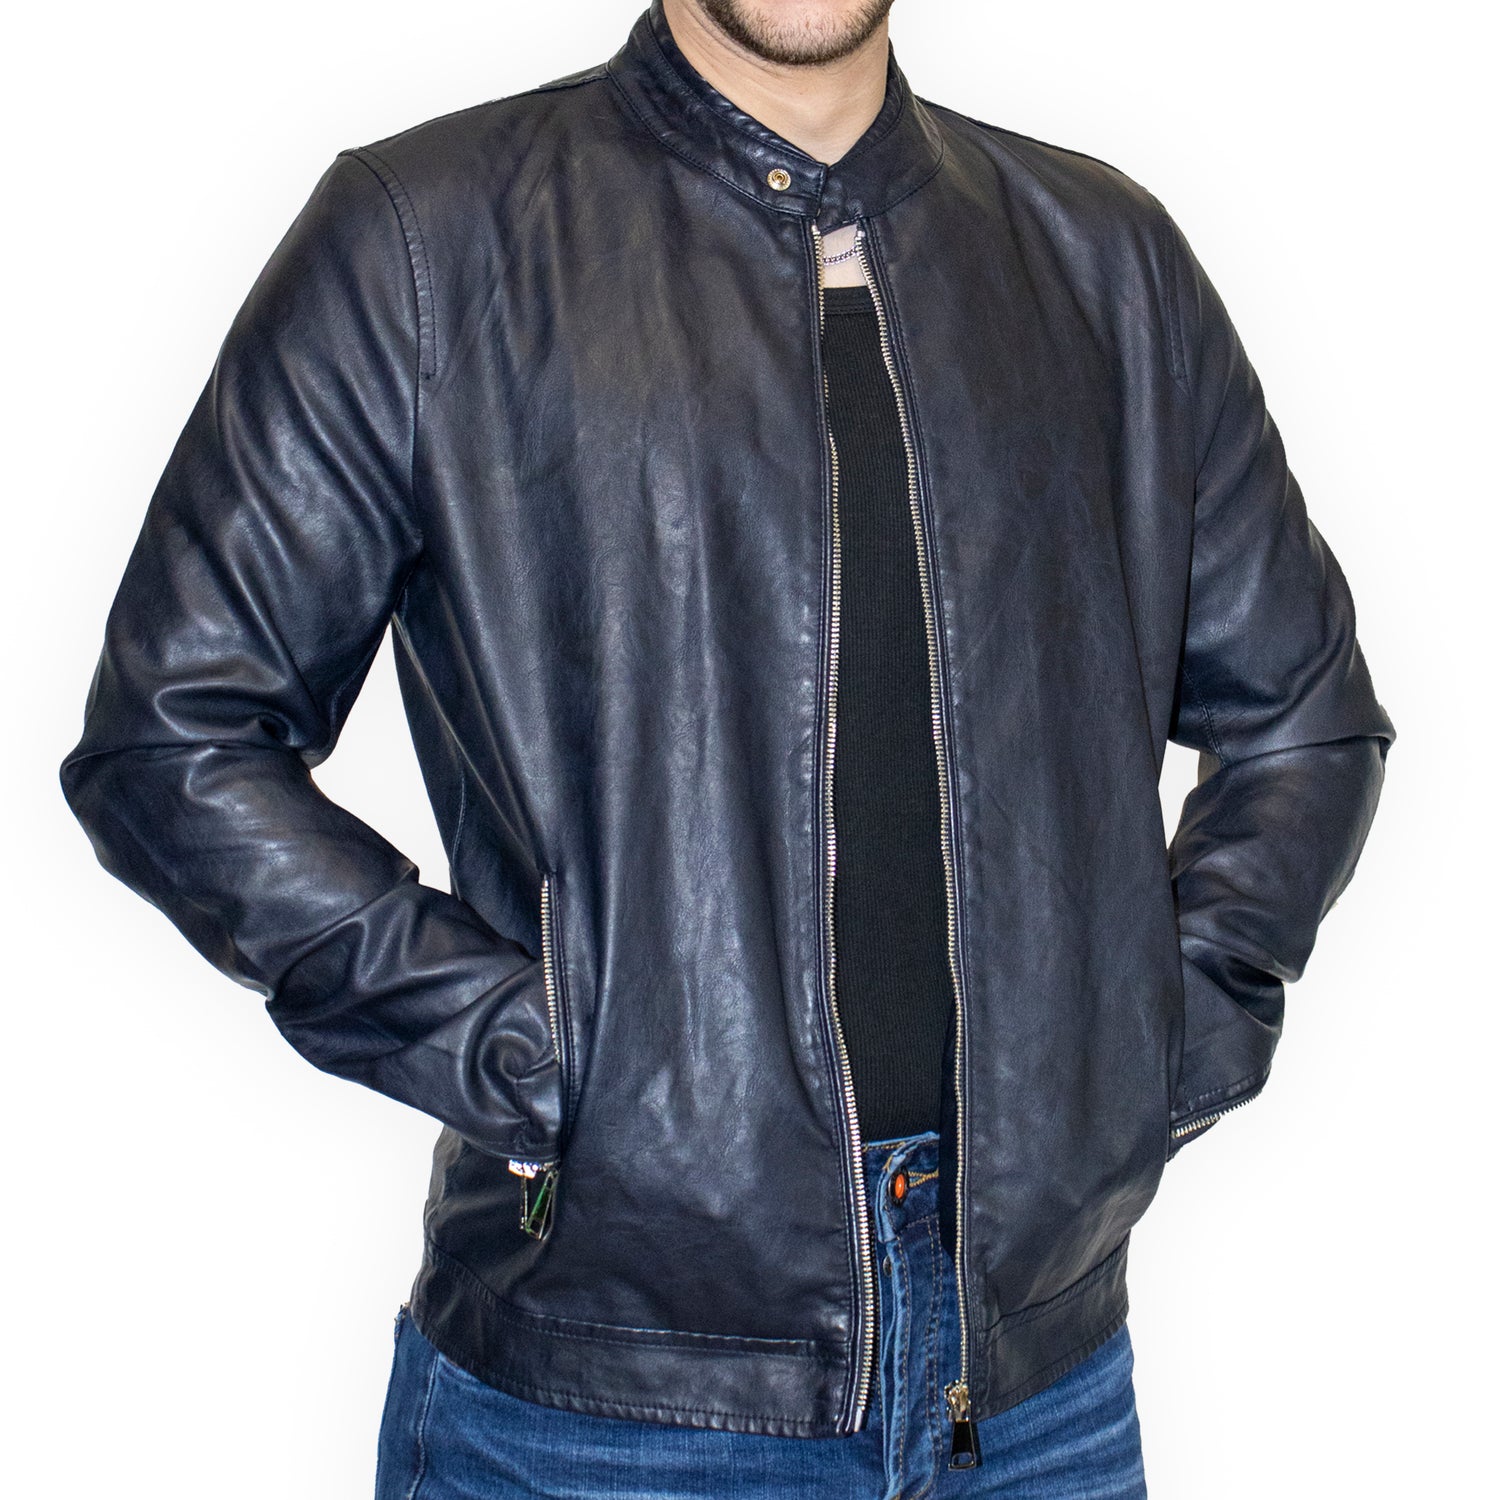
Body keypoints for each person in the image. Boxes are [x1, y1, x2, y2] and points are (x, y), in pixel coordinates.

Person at [58, 0, 1396, 1495]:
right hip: (607, 1407)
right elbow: (174, 738)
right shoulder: (428, 243)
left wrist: (1152, 1041)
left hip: (1036, 1396)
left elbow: (1304, 722)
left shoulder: (1106, 260)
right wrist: (521, 1055)